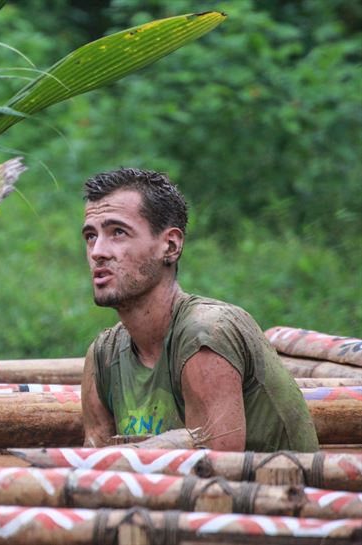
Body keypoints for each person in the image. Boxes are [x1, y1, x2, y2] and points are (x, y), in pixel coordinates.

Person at [80, 168, 318, 452]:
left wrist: (131, 455)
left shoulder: (206, 333)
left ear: (170, 245)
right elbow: (94, 464)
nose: (97, 252)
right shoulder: (104, 355)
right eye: (91, 236)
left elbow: (215, 471)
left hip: (275, 493)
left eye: (118, 232)